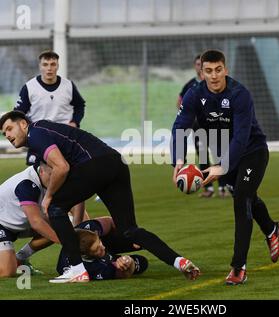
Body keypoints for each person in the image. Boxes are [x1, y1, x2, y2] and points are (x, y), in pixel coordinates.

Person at [0, 111, 200, 284]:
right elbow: (75, 188)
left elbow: (62, 167)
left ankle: (77, 270)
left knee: (54, 208)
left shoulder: (36, 133)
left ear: (24, 124)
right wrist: (76, 225)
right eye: (4, 133)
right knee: (129, 230)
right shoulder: (44, 132)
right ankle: (179, 261)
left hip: (94, 165)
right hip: (115, 163)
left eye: (9, 128)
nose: (7, 135)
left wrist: (49, 197)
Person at [171, 49, 279, 285]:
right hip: (225, 151)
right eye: (208, 71)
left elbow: (241, 139)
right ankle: (272, 230)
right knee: (248, 195)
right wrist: (178, 162)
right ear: (201, 72)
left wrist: (221, 168)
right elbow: (180, 127)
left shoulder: (240, 94)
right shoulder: (193, 94)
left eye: (218, 70)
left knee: (241, 197)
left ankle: (238, 267)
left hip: (252, 151)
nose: (214, 76)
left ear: (226, 69)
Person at [14, 50, 88, 223]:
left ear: (58, 65)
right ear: (40, 66)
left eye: (53, 64)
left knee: (71, 180)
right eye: (45, 64)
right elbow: (19, 113)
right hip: (40, 140)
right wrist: (25, 133)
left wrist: (75, 122)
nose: (49, 68)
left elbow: (80, 105)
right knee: (40, 181)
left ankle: (79, 224)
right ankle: (44, 216)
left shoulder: (68, 86)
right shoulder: (30, 87)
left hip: (64, 139)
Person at [177, 55, 230, 198]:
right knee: (202, 157)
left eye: (201, 64)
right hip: (198, 128)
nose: (199, 66)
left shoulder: (215, 84)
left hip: (216, 127)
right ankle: (208, 189)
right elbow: (180, 101)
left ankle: (224, 187)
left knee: (219, 155)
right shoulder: (190, 85)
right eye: (197, 64)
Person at [0, 163, 59, 278]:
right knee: (7, 272)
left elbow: (76, 207)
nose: (54, 180)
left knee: (61, 227)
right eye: (51, 175)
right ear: (41, 171)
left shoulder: (58, 179)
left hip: (19, 223)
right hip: (2, 224)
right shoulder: (27, 184)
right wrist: (67, 243)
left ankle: (20, 259)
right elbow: (36, 223)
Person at [56, 216, 149, 280]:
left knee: (142, 240)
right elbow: (121, 274)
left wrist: (130, 234)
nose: (103, 247)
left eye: (99, 242)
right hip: (101, 262)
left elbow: (110, 221)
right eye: (97, 249)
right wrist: (128, 263)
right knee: (141, 263)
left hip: (109, 240)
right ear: (85, 255)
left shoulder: (87, 229)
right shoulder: (90, 269)